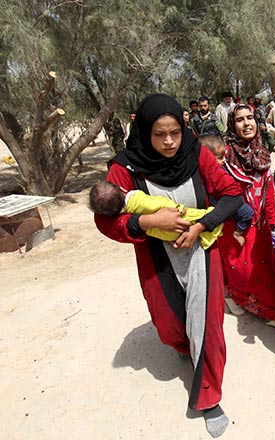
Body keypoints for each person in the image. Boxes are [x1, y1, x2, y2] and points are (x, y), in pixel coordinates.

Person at [94, 93, 243, 438]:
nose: (169, 142)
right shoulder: (125, 167)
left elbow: (233, 194)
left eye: (175, 132)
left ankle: (208, 396)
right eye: (159, 134)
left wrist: (199, 226)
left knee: (206, 324)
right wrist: (148, 222)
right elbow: (106, 221)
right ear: (144, 131)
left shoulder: (197, 153)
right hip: (157, 258)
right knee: (171, 320)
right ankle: (182, 346)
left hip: (201, 250)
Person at [217, 103, 275, 333]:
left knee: (264, 269)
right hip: (234, 226)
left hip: (259, 224)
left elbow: (268, 189)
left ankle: (271, 312)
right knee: (236, 267)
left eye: (249, 117)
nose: (246, 123)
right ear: (232, 124)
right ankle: (232, 297)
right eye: (240, 119)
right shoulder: (225, 155)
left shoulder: (260, 152)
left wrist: (271, 221)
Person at [90, 179, 253, 248]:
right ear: (122, 189)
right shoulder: (136, 199)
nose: (168, 141)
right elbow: (159, 205)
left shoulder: (124, 209)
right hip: (177, 217)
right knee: (197, 216)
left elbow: (232, 195)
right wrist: (173, 209)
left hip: (167, 236)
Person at [199, 134, 256, 247]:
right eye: (219, 158)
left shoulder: (221, 168)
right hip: (221, 203)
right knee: (248, 213)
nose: (223, 161)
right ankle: (238, 232)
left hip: (220, 204)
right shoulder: (214, 172)